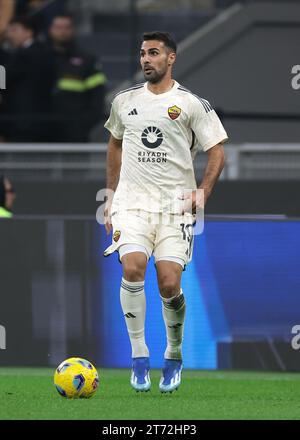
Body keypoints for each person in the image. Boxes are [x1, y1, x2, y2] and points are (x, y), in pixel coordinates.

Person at [103, 31, 228, 393]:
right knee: (132, 267)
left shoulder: (191, 104)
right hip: (132, 204)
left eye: (154, 53)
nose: (146, 59)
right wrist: (111, 196)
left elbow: (217, 150)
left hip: (175, 208)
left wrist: (203, 192)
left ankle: (173, 354)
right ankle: (139, 357)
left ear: (170, 59)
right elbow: (114, 144)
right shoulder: (124, 101)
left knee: (170, 283)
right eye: (142, 53)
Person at [48, 14, 107, 142]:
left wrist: (83, 125)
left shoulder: (87, 61)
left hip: (75, 131)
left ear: (72, 30)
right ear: (50, 30)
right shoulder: (38, 58)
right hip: (43, 130)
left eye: (66, 27)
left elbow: (97, 97)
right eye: (58, 27)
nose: (62, 32)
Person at [0, 16, 55, 142]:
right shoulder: (43, 51)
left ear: (29, 32)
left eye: (14, 30)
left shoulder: (26, 54)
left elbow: (3, 77)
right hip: (38, 120)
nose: (9, 35)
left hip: (23, 123)